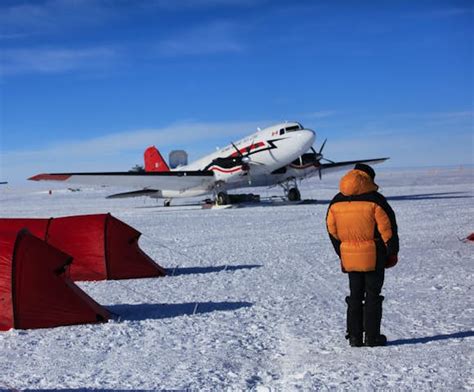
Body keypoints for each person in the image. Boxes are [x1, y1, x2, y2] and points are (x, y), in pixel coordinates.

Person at [326, 163, 399, 347]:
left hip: (350, 257)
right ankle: (372, 337)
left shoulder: (336, 201)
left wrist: (342, 252)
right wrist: (392, 253)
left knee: (355, 295)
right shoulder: (376, 200)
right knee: (373, 295)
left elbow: (332, 230)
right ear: (368, 179)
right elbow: (388, 230)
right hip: (374, 256)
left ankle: (355, 337)